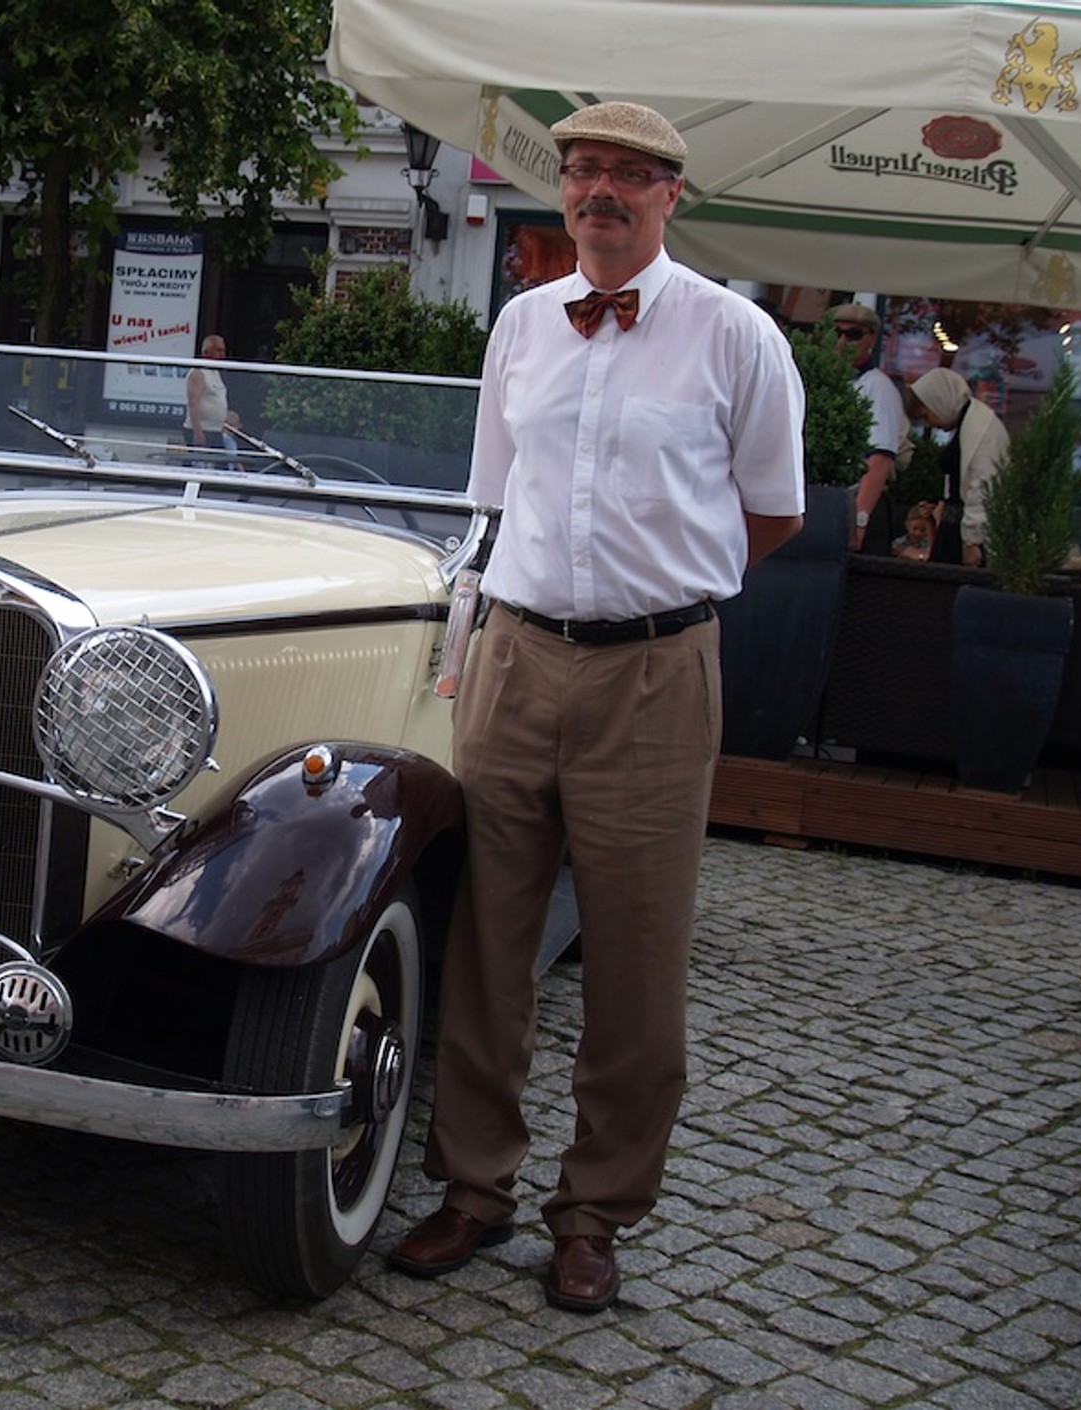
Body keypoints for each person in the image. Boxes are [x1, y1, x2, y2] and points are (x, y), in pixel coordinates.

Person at [386, 101, 805, 1311]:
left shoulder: (733, 335)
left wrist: (652, 592)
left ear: (672, 194)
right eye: (580, 172)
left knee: (634, 952)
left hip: (654, 674)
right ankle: (472, 1188)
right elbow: (493, 496)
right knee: (486, 940)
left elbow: (766, 516)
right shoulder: (519, 324)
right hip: (515, 656)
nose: (599, 192)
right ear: (559, 192)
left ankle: (594, 1213)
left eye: (628, 174)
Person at [907, 367, 1009, 569]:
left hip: (962, 534)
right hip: (955, 529)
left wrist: (972, 540)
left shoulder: (978, 429)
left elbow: (983, 485)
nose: (930, 423)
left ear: (939, 402)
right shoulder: (969, 425)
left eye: (927, 415)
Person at [829, 301, 907, 553]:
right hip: (836, 504)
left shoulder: (879, 388)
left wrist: (859, 521)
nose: (842, 341)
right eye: (837, 333)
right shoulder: (835, 384)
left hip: (861, 505)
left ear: (871, 338)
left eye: (853, 334)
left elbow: (880, 460)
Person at [185, 333, 237, 460]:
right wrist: (198, 433)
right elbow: (193, 402)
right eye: (218, 351)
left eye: (223, 351)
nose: (222, 355)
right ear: (206, 352)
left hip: (216, 431)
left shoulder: (215, 372)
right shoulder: (198, 372)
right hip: (201, 430)